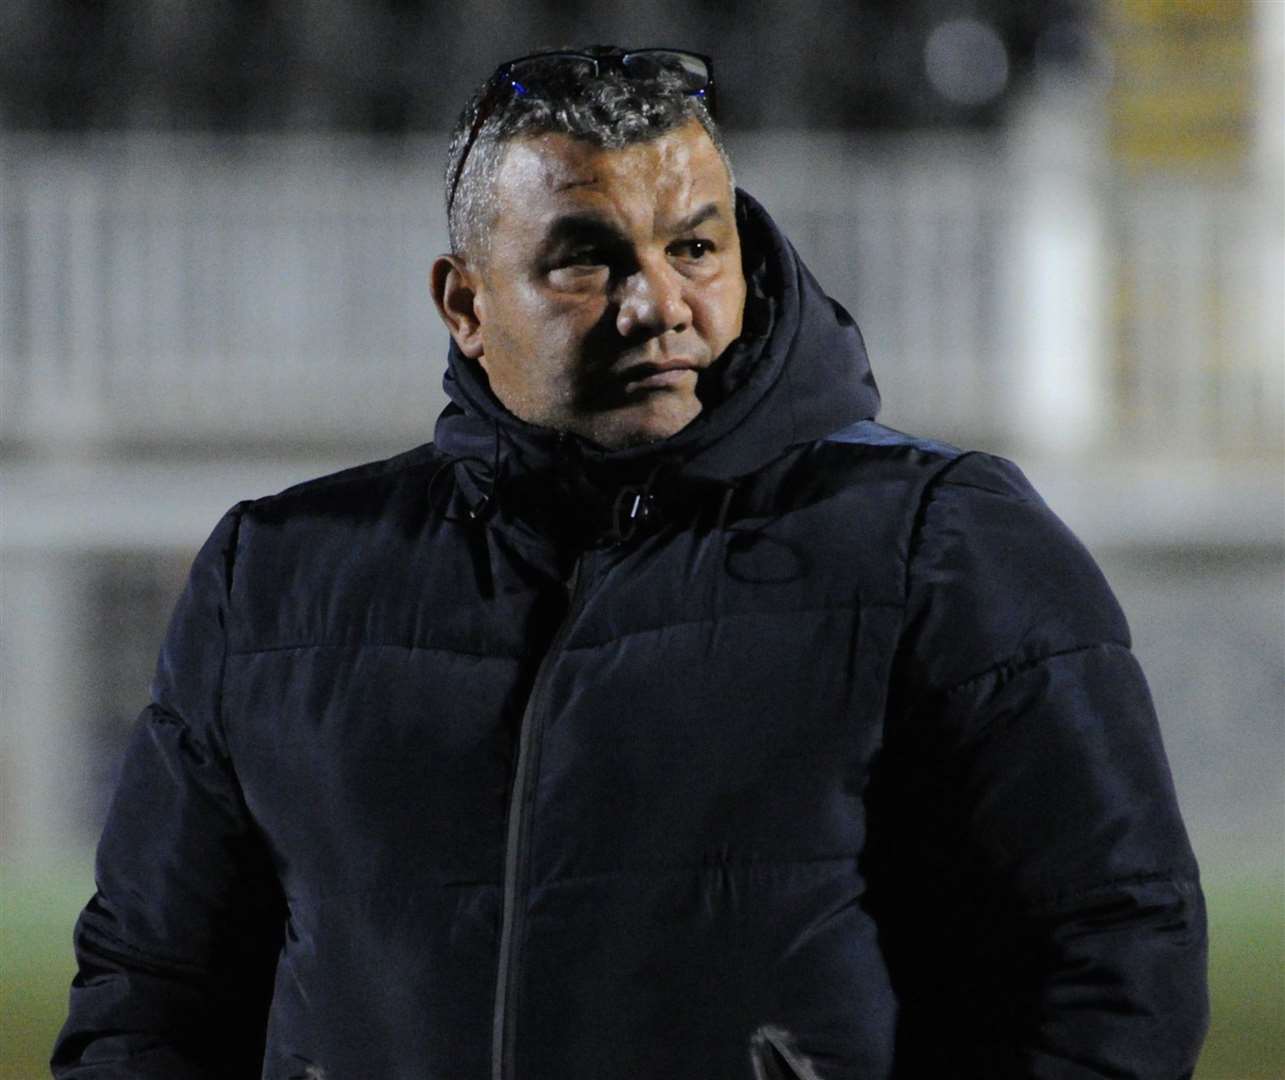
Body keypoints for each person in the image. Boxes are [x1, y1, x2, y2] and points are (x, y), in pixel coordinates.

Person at [53, 46, 1208, 1079]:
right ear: (464, 302)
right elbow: (151, 989)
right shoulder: (278, 576)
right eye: (585, 261)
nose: (659, 304)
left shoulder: (941, 544)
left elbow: (1109, 955)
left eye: (696, 246)